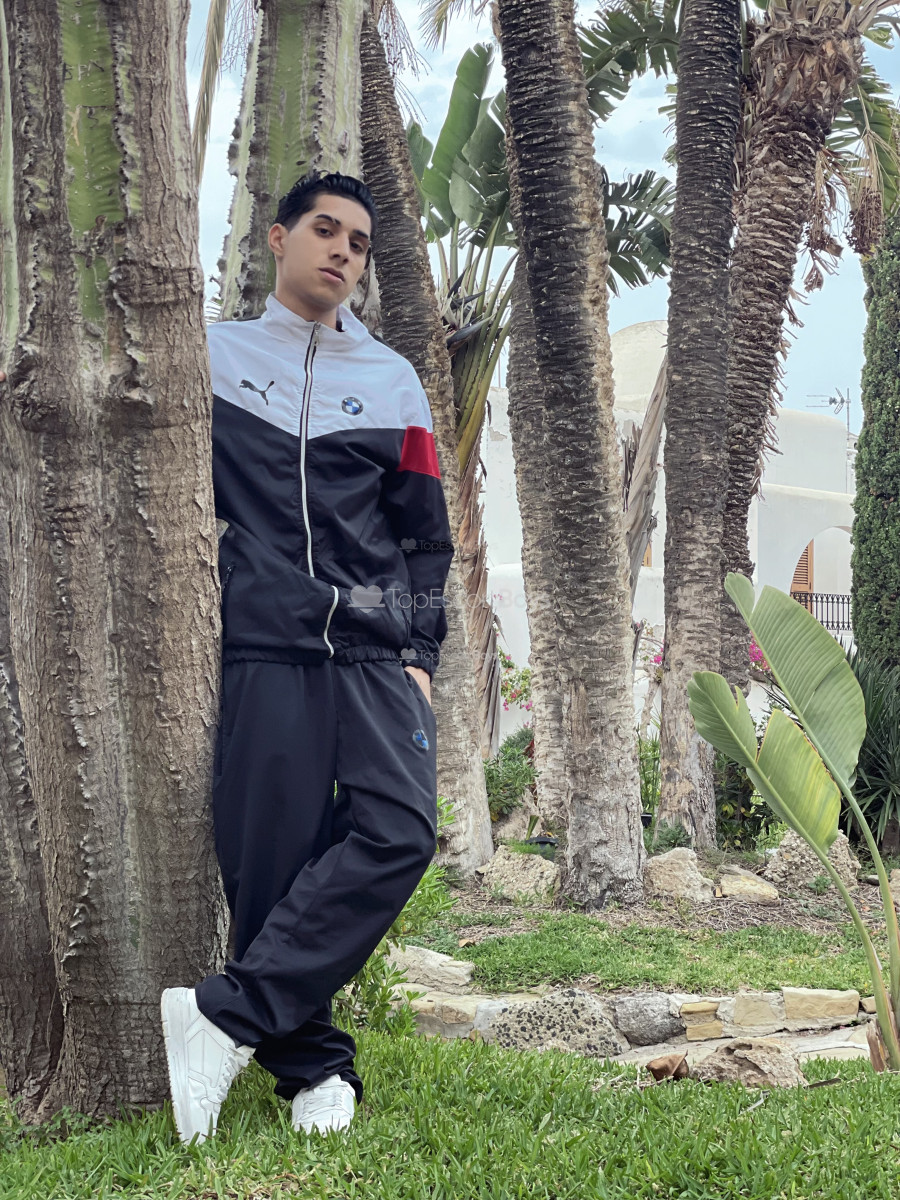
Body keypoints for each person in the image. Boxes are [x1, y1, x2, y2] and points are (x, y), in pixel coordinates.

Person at [160, 170, 455, 1145]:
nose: (343, 251)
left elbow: (426, 535)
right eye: (325, 230)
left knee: (401, 831)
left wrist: (421, 651)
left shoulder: (394, 381)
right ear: (279, 239)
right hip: (265, 642)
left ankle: (222, 1016)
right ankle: (314, 1067)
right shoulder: (213, 357)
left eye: (358, 242)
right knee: (269, 861)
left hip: (373, 650)